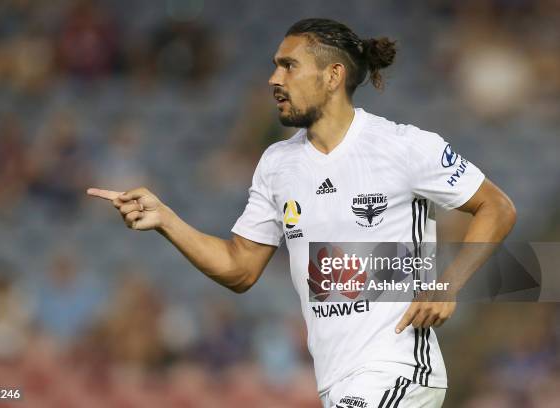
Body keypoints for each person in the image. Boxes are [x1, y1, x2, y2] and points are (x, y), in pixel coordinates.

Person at [87, 18, 516, 408]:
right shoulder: (277, 165)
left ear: (333, 76)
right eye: (275, 66)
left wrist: (448, 283)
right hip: (336, 383)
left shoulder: (404, 146)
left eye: (289, 66)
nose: (274, 78)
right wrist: (167, 220)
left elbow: (496, 207)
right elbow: (240, 269)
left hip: (399, 370)